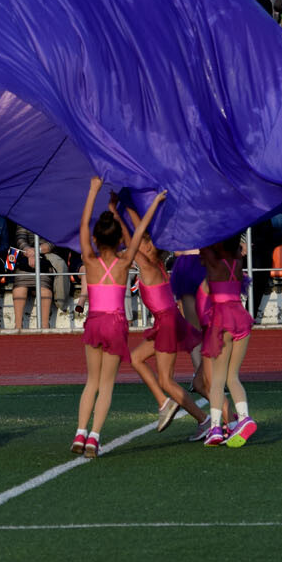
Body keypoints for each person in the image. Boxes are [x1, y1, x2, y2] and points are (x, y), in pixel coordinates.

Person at [73, 177, 164, 458]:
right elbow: (138, 233)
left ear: (97, 238)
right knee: (106, 385)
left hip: (95, 321)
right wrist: (156, 202)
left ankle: (80, 432)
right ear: (116, 238)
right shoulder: (125, 262)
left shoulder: (89, 259)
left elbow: (83, 223)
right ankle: (95, 437)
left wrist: (93, 190)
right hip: (115, 323)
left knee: (91, 381)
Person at [120, 198, 210, 438]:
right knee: (136, 357)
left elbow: (134, 238)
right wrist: (128, 205)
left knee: (166, 379)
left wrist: (116, 214)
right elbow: (141, 232)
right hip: (167, 319)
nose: (140, 246)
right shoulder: (156, 261)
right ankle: (163, 402)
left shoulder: (148, 265)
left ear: (149, 248)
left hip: (167, 321)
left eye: (144, 244)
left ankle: (204, 419)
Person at [199, 232, 256, 448]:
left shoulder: (212, 261)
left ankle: (215, 428)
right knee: (233, 377)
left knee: (218, 380)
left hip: (221, 320)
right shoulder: (238, 260)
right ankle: (243, 418)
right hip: (240, 317)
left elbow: (202, 245)